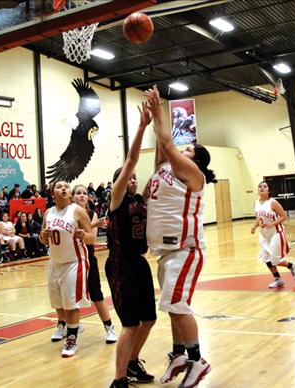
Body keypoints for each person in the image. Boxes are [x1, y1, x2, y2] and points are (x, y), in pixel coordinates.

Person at [145, 85, 214, 387]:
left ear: (197, 161)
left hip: (185, 250)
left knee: (177, 305)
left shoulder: (193, 175)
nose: (184, 149)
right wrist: (151, 116)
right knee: (172, 307)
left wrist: (160, 111)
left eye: (190, 150)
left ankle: (198, 361)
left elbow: (169, 144)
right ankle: (178, 354)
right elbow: (163, 147)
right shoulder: (164, 168)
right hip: (164, 252)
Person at [105, 102, 157, 388]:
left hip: (138, 261)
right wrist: (142, 127)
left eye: (135, 177)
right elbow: (132, 159)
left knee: (149, 319)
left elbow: (159, 168)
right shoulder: (117, 198)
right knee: (130, 323)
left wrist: (162, 129)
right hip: (120, 262)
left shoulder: (141, 199)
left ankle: (133, 363)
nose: (133, 179)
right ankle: (119, 379)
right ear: (120, 182)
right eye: (128, 177)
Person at [38, 180, 94, 358]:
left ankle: (72, 339)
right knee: (58, 304)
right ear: (52, 193)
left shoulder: (76, 210)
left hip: (74, 262)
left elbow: (92, 237)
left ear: (69, 193)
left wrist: (84, 235)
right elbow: (42, 239)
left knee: (71, 304)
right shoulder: (48, 212)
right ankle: (72, 327)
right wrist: (42, 236)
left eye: (66, 187)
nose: (63, 188)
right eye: (59, 187)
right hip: (55, 263)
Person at [71, 184, 118, 344]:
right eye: (78, 193)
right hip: (71, 259)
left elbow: (91, 237)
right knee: (70, 296)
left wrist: (93, 225)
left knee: (96, 294)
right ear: (73, 197)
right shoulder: (66, 214)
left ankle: (109, 327)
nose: (82, 195)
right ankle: (70, 326)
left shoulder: (92, 214)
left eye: (84, 193)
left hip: (88, 258)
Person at [251, 181, 295, 288]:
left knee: (275, 260)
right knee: (266, 259)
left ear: (269, 190)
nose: (262, 188)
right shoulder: (256, 203)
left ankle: (292, 266)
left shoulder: (273, 202)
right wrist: (254, 226)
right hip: (264, 235)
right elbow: (258, 219)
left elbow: (283, 216)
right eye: (260, 186)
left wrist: (272, 223)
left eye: (264, 186)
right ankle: (278, 279)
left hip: (276, 233)